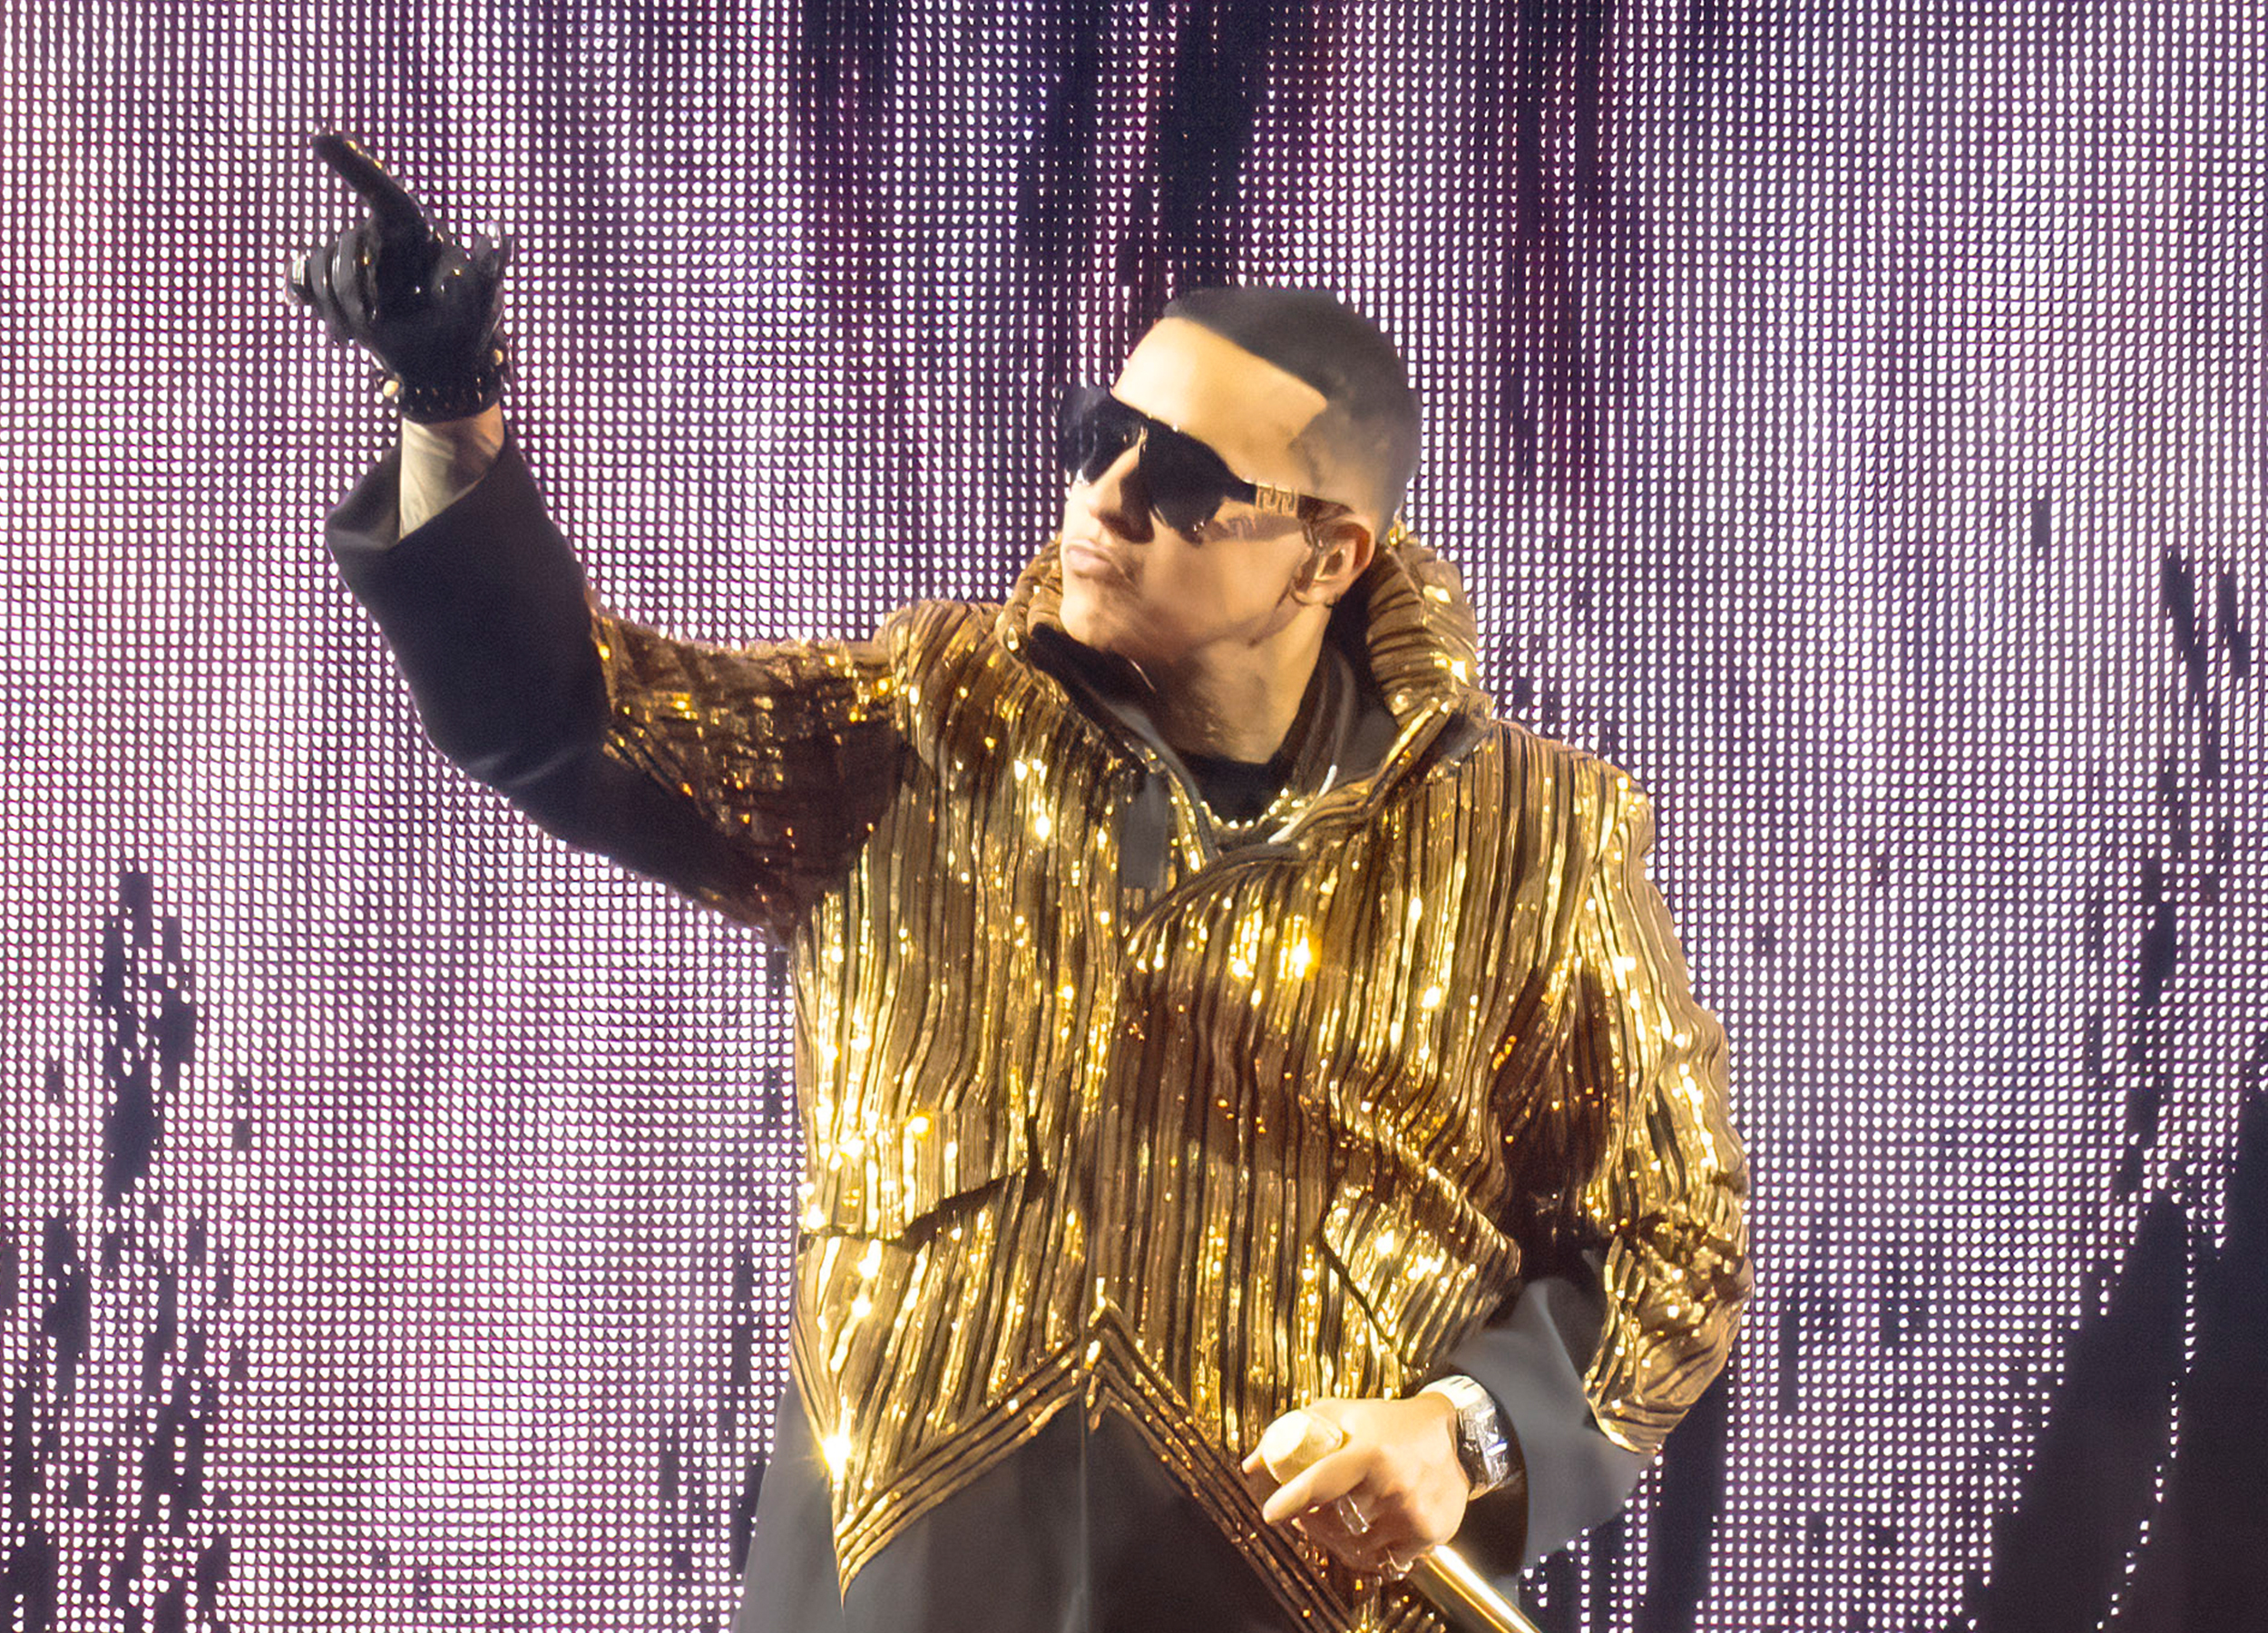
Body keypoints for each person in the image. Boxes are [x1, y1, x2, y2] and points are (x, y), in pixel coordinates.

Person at [291, 132, 1749, 1633]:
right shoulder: (924, 722)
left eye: (1178, 477)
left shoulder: (1531, 833)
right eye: (1093, 431)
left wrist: (1463, 1432)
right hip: (907, 1568)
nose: (1103, 496)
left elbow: (1672, 1235)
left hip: (1294, 1593)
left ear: (1327, 557)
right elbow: (580, 719)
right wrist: (448, 410)